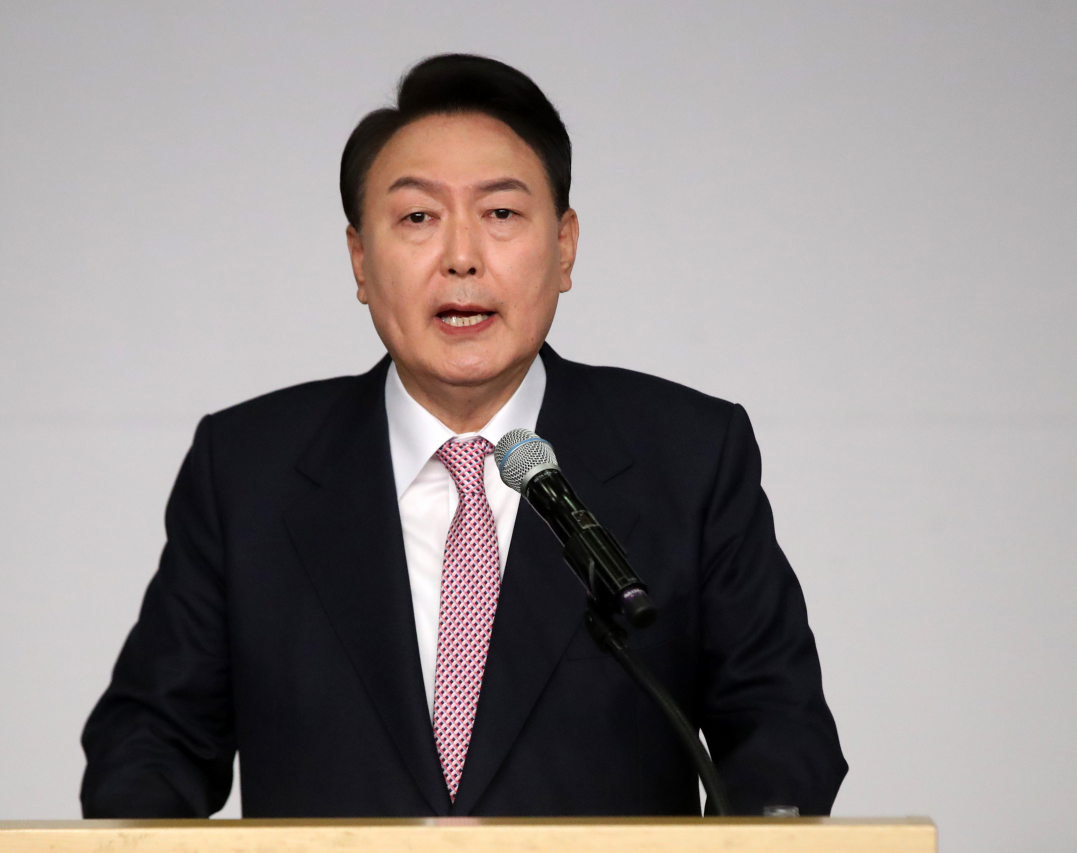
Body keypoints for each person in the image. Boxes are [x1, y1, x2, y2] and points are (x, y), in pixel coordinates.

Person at [80, 53, 847, 819]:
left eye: (502, 214)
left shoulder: (689, 454)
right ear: (359, 259)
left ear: (565, 244)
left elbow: (782, 729)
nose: (461, 257)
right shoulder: (248, 470)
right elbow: (153, 739)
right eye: (417, 217)